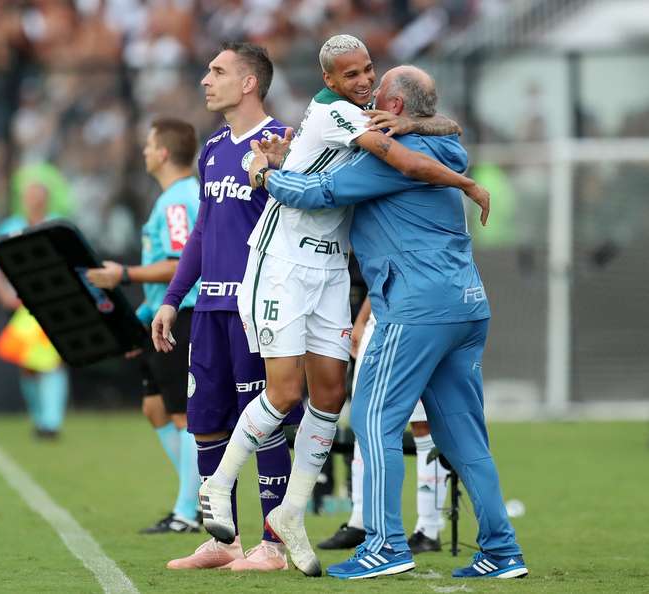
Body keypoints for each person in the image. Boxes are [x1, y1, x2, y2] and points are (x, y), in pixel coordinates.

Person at [196, 34, 489, 577]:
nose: (362, 82)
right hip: (281, 260)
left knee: (329, 398)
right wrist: (464, 182)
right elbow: (399, 159)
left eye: (368, 72)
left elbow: (432, 129)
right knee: (283, 393)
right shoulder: (335, 112)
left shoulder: (363, 112)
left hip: (331, 268)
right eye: (350, 75)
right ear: (329, 82)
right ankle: (216, 485)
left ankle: (290, 516)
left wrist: (417, 123)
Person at [251, 65, 527, 580]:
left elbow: (317, 194)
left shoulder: (386, 160)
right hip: (467, 304)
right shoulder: (447, 149)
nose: (369, 103)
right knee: (465, 437)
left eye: (377, 95)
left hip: (416, 309)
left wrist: (267, 173)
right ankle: (502, 550)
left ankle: (385, 545)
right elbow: (446, 130)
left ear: (395, 108)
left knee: (374, 422)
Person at [150, 42, 301, 572]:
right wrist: (173, 299)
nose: (205, 80)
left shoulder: (282, 143)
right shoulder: (213, 148)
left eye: (217, 71)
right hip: (209, 311)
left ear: (249, 83)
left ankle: (275, 545)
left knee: (265, 422)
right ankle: (223, 539)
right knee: (207, 421)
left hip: (256, 311)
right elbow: (202, 234)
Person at [86, 118, 202, 534]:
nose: (145, 151)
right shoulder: (174, 197)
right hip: (161, 315)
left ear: (164, 153)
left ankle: (189, 511)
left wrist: (126, 275)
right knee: (155, 408)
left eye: (150, 145)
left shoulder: (176, 201)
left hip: (185, 314)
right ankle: (200, 492)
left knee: (183, 415)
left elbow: (177, 265)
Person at [318, 297, 451, 554]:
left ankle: (428, 529)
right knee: (363, 421)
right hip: (378, 323)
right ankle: (359, 521)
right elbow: (381, 271)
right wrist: (362, 319)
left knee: (423, 426)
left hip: (422, 319)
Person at [0, 181, 69, 439]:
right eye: (28, 196)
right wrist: (3, 295)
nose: (33, 200)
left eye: (37, 195)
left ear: (46, 198)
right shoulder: (10, 227)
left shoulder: (58, 225)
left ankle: (51, 422)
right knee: (28, 363)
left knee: (54, 360)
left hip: (53, 304)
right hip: (22, 308)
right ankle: (39, 416)